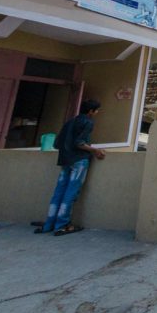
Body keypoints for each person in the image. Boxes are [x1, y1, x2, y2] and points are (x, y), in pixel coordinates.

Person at [34, 100, 105, 236]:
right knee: (71, 192)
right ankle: (62, 224)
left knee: (59, 191)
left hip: (65, 160)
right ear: (91, 111)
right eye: (96, 110)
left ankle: (49, 223)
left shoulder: (69, 122)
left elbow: (57, 143)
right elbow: (79, 143)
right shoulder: (88, 122)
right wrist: (95, 151)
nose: (97, 113)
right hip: (78, 160)